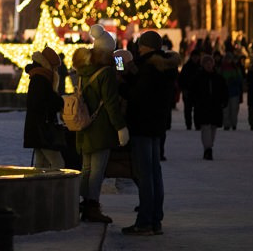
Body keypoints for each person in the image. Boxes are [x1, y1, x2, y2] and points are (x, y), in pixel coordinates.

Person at [120, 29, 180, 236]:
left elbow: (137, 96)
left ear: (145, 46)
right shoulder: (166, 67)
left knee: (145, 174)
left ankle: (145, 221)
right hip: (157, 125)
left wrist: (123, 82)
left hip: (142, 125)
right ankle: (155, 220)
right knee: (155, 173)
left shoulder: (148, 68)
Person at [73, 25, 128, 224]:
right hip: (100, 128)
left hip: (84, 125)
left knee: (86, 169)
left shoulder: (83, 69)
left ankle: (77, 202)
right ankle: (92, 206)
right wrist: (121, 127)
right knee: (97, 171)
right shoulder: (106, 72)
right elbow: (112, 102)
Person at [23, 46, 67, 170]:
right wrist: (59, 102)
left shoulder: (40, 76)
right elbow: (41, 103)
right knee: (57, 164)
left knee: (41, 164)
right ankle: (52, 188)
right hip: (42, 129)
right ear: (48, 64)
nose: (56, 70)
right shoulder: (41, 78)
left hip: (37, 128)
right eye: (55, 67)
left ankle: (36, 188)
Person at [190, 54, 228, 159]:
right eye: (206, 63)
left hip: (215, 106)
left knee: (213, 128)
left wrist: (224, 101)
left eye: (210, 62)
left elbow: (224, 90)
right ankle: (208, 148)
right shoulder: (198, 78)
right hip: (203, 106)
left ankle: (209, 146)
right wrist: (194, 102)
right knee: (205, 127)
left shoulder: (218, 78)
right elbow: (193, 92)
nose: (209, 65)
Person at [178, 50, 202, 130]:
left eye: (197, 56)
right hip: (188, 91)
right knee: (188, 110)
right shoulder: (186, 67)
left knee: (198, 110)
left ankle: (197, 125)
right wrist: (183, 89)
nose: (195, 58)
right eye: (194, 56)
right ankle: (189, 125)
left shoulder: (201, 67)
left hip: (198, 92)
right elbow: (181, 79)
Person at [220, 52, 244, 130]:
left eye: (230, 58)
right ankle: (226, 124)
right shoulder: (222, 68)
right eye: (227, 58)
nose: (228, 60)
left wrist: (233, 81)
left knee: (234, 110)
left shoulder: (236, 68)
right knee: (226, 110)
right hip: (225, 92)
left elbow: (240, 80)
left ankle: (233, 123)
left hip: (234, 92)